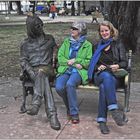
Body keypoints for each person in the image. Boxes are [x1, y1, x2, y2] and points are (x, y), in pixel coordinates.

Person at [19, 14, 61, 130]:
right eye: (37, 26)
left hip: (48, 69)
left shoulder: (49, 39)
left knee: (42, 73)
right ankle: (52, 116)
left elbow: (57, 51)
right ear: (30, 28)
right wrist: (30, 71)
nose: (40, 27)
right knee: (42, 78)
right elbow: (23, 61)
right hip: (34, 72)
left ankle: (36, 103)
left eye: (40, 25)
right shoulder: (25, 44)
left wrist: (55, 58)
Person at [88, 20, 128, 134]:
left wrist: (118, 65)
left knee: (103, 87)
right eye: (102, 31)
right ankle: (114, 110)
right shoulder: (96, 46)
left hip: (114, 77)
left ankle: (102, 121)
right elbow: (92, 64)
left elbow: (124, 63)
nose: (104, 33)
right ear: (99, 33)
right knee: (105, 76)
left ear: (111, 31)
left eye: (106, 30)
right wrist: (98, 67)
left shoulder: (118, 44)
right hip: (99, 75)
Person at [55, 21, 93, 124]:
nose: (71, 30)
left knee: (70, 84)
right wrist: (69, 62)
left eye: (74, 28)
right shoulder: (67, 42)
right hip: (66, 69)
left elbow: (88, 61)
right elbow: (60, 57)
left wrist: (76, 60)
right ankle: (70, 107)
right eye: (71, 28)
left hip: (79, 71)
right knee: (59, 87)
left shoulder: (87, 45)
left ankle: (74, 113)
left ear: (81, 31)